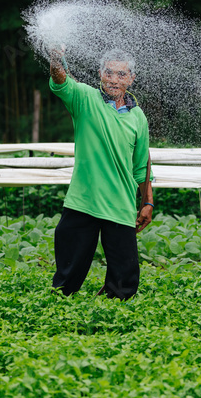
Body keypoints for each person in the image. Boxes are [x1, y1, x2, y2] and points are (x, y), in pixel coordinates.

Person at [48, 47, 153, 299]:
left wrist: (147, 201)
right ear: (100, 74)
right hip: (83, 201)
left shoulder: (138, 117)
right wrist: (55, 57)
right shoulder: (84, 99)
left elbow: (141, 167)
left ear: (131, 79)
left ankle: (113, 318)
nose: (114, 79)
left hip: (120, 204)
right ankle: (60, 315)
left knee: (124, 282)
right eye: (108, 73)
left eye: (121, 74)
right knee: (66, 279)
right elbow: (61, 79)